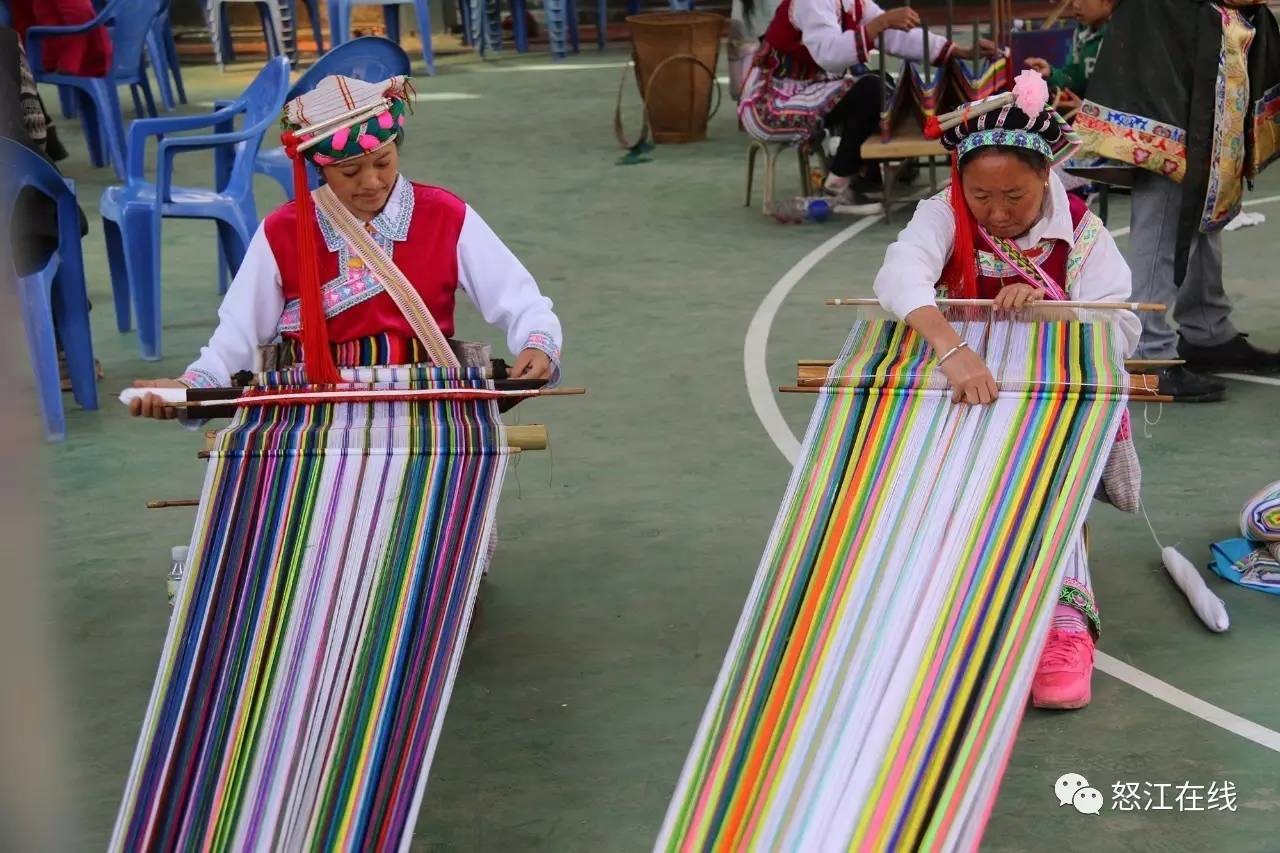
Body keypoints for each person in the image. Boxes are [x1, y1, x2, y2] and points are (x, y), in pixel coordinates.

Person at [873, 72, 1139, 709]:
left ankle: (1061, 625)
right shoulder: (942, 214)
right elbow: (898, 276)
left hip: (1048, 390)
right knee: (928, 474)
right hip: (961, 381)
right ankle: (948, 609)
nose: (995, 212)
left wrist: (1055, 311)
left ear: (1046, 177)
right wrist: (954, 348)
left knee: (1046, 473)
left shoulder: (1083, 234)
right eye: (980, 194)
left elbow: (1122, 327)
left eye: (1013, 197)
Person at [129, 74, 562, 418]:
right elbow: (238, 334)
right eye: (350, 171)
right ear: (319, 169)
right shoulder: (283, 230)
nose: (371, 182)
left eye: (383, 162)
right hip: (316, 407)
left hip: (423, 402)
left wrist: (537, 343)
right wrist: (190, 389)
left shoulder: (444, 215)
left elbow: (521, 300)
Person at [1076, 0, 1280, 401]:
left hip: (1195, 38)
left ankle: (1206, 329)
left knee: (1207, 192)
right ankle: (1146, 353)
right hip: (1167, 42)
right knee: (1167, 194)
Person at [738, 0, 996, 213]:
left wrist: (958, 51)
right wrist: (880, 23)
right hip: (773, 103)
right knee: (871, 90)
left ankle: (868, 176)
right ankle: (838, 187)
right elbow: (831, 56)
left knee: (882, 85)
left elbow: (896, 36)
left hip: (810, 89)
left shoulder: (850, 2)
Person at [1023, 0, 1116, 104]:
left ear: (1108, 2)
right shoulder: (1082, 33)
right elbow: (1073, 81)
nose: (1075, 5)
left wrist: (1084, 109)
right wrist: (1051, 73)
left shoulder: (1123, 38)